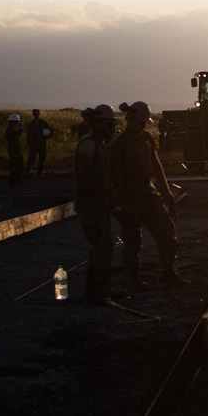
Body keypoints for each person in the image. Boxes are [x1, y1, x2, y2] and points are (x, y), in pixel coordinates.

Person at [110, 100, 189, 290]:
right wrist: (123, 200)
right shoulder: (118, 144)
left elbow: (156, 165)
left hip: (147, 189)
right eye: (141, 121)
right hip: (130, 192)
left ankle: (168, 271)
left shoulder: (146, 138)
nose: (144, 125)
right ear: (131, 119)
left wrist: (166, 192)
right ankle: (133, 278)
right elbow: (116, 176)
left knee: (166, 229)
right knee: (132, 239)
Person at [74, 104, 128, 302]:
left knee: (99, 246)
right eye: (108, 124)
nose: (112, 128)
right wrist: (102, 198)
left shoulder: (101, 144)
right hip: (91, 203)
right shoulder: (88, 144)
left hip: (98, 202)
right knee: (103, 245)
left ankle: (92, 289)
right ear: (97, 124)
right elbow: (85, 177)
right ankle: (102, 289)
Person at [25, 109, 54, 177]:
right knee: (31, 159)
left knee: (42, 159)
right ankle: (27, 172)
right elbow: (28, 135)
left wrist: (48, 136)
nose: (35, 115)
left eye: (36, 114)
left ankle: (39, 173)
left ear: (38, 114)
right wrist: (29, 143)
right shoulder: (31, 124)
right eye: (34, 114)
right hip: (34, 143)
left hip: (41, 143)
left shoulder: (42, 123)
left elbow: (51, 130)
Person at [5, 113, 24, 187]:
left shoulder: (11, 129)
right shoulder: (10, 130)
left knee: (19, 166)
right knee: (15, 166)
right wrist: (21, 129)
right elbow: (16, 134)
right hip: (13, 150)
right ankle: (14, 182)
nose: (17, 123)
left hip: (16, 150)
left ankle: (18, 181)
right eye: (16, 122)